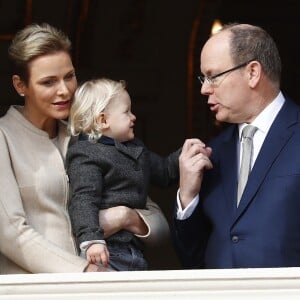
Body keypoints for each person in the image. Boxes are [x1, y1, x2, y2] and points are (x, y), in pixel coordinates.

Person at [0, 23, 169, 274]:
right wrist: (84, 273)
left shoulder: (91, 137)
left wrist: (125, 216)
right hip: (36, 290)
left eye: (69, 76)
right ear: (20, 85)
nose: (64, 90)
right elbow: (10, 232)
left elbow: (158, 224)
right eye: (48, 82)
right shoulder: (4, 137)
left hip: (102, 285)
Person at [173, 22, 300, 269]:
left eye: (213, 76)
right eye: (203, 78)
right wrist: (187, 197)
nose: (204, 88)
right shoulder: (212, 153)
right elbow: (193, 258)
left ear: (252, 73)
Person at [66, 78, 181, 271]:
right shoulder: (86, 153)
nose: (133, 117)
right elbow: (84, 199)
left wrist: (184, 155)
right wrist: (92, 239)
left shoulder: (135, 148)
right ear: (103, 120)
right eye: (126, 111)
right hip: (106, 252)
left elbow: (164, 172)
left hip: (134, 250)